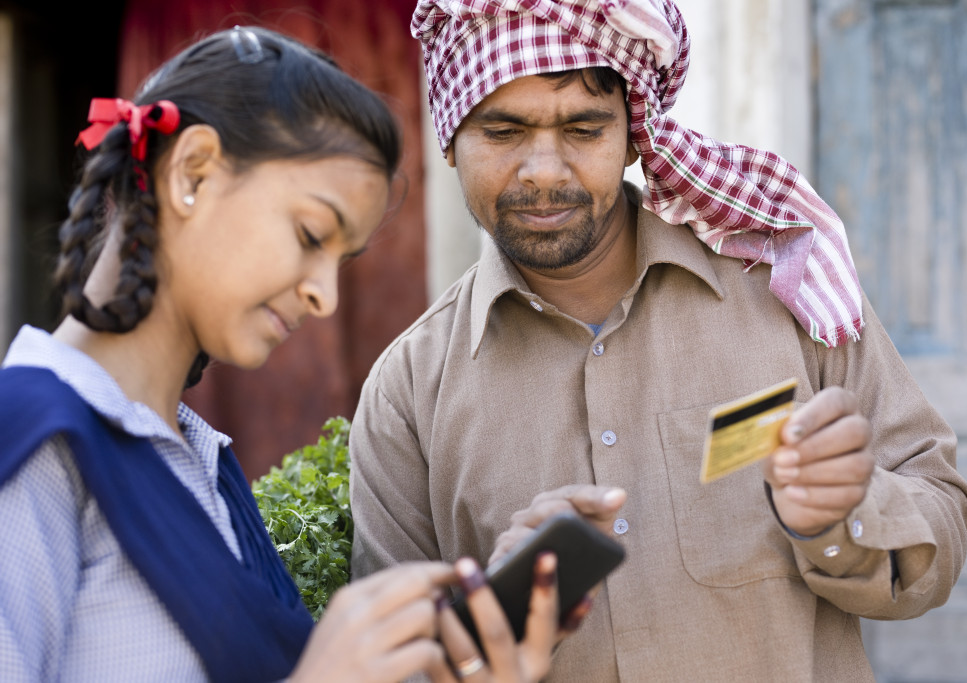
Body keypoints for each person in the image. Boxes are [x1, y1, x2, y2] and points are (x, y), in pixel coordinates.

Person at [349, 1, 967, 681]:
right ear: (449, 140)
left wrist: (845, 514)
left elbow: (941, 517)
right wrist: (497, 609)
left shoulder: (789, 292)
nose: (543, 170)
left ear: (632, 136)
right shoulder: (408, 391)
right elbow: (394, 662)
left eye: (583, 128)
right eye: (502, 130)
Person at [0, 25, 565, 683]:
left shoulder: (198, 462)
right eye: (309, 234)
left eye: (340, 260)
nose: (324, 296)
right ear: (194, 171)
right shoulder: (33, 438)